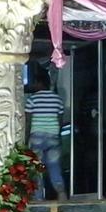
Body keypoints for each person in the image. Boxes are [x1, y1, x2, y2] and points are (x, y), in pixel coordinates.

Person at [25, 73, 68, 203]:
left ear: (39, 83)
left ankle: (38, 197)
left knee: (37, 168)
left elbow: (28, 121)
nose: (32, 86)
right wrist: (57, 135)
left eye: (34, 83)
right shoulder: (57, 99)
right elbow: (60, 120)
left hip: (37, 136)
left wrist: (26, 137)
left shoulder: (32, 99)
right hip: (53, 136)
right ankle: (61, 193)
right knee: (54, 166)